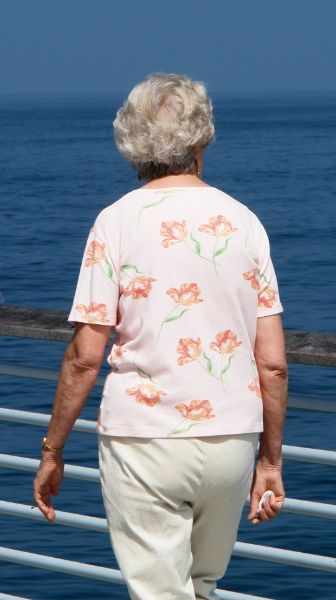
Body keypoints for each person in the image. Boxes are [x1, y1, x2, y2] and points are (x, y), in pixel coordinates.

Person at [32, 72, 289, 599]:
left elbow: (85, 356)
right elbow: (273, 364)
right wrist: (270, 460)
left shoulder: (116, 222)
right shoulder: (243, 222)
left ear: (132, 140)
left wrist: (52, 449)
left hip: (143, 439)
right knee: (202, 586)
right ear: (201, 139)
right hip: (231, 439)